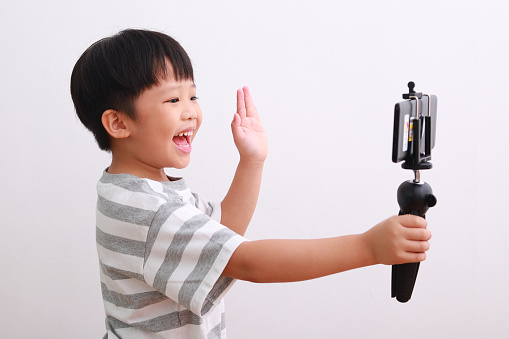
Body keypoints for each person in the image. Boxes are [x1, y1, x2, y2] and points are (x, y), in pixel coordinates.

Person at [70, 28, 431, 339]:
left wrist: (252, 161)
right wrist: (368, 247)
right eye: (173, 99)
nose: (190, 111)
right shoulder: (148, 210)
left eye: (193, 96)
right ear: (118, 124)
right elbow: (248, 262)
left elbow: (222, 232)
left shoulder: (142, 190)